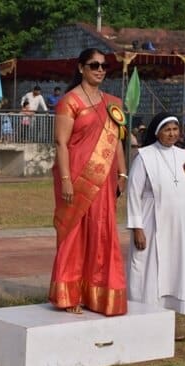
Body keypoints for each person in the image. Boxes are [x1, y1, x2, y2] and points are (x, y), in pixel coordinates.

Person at [49, 48, 128, 316]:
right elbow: (61, 143)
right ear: (81, 67)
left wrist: (123, 173)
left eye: (104, 66)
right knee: (74, 234)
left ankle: (100, 295)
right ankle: (69, 295)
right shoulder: (69, 101)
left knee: (102, 232)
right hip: (75, 177)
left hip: (104, 179)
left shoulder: (112, 102)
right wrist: (66, 180)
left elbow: (116, 140)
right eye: (94, 65)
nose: (100, 70)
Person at [127, 112, 185, 340]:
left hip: (180, 226)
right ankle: (145, 322)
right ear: (157, 132)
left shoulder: (182, 155)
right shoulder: (144, 156)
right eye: (167, 129)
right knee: (150, 272)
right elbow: (133, 194)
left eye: (175, 129)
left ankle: (170, 323)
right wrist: (137, 227)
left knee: (175, 271)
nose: (172, 134)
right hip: (152, 223)